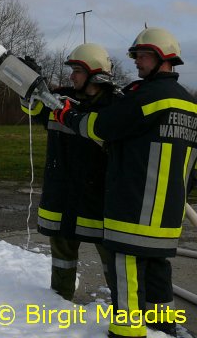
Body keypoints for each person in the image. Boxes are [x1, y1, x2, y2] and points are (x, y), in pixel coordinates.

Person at [54, 27, 197, 337]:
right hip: (167, 216)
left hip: (133, 211)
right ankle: (163, 329)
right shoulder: (189, 104)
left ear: (162, 58)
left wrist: (69, 117)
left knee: (127, 273)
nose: (136, 61)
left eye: (142, 55)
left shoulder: (147, 97)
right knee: (158, 274)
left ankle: (126, 333)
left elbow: (103, 126)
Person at [21, 43, 117, 301]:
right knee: (62, 261)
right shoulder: (59, 100)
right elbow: (33, 107)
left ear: (95, 74)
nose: (71, 76)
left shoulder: (116, 107)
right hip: (62, 200)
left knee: (115, 265)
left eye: (77, 71)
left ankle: (125, 311)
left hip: (100, 203)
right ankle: (59, 305)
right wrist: (27, 82)